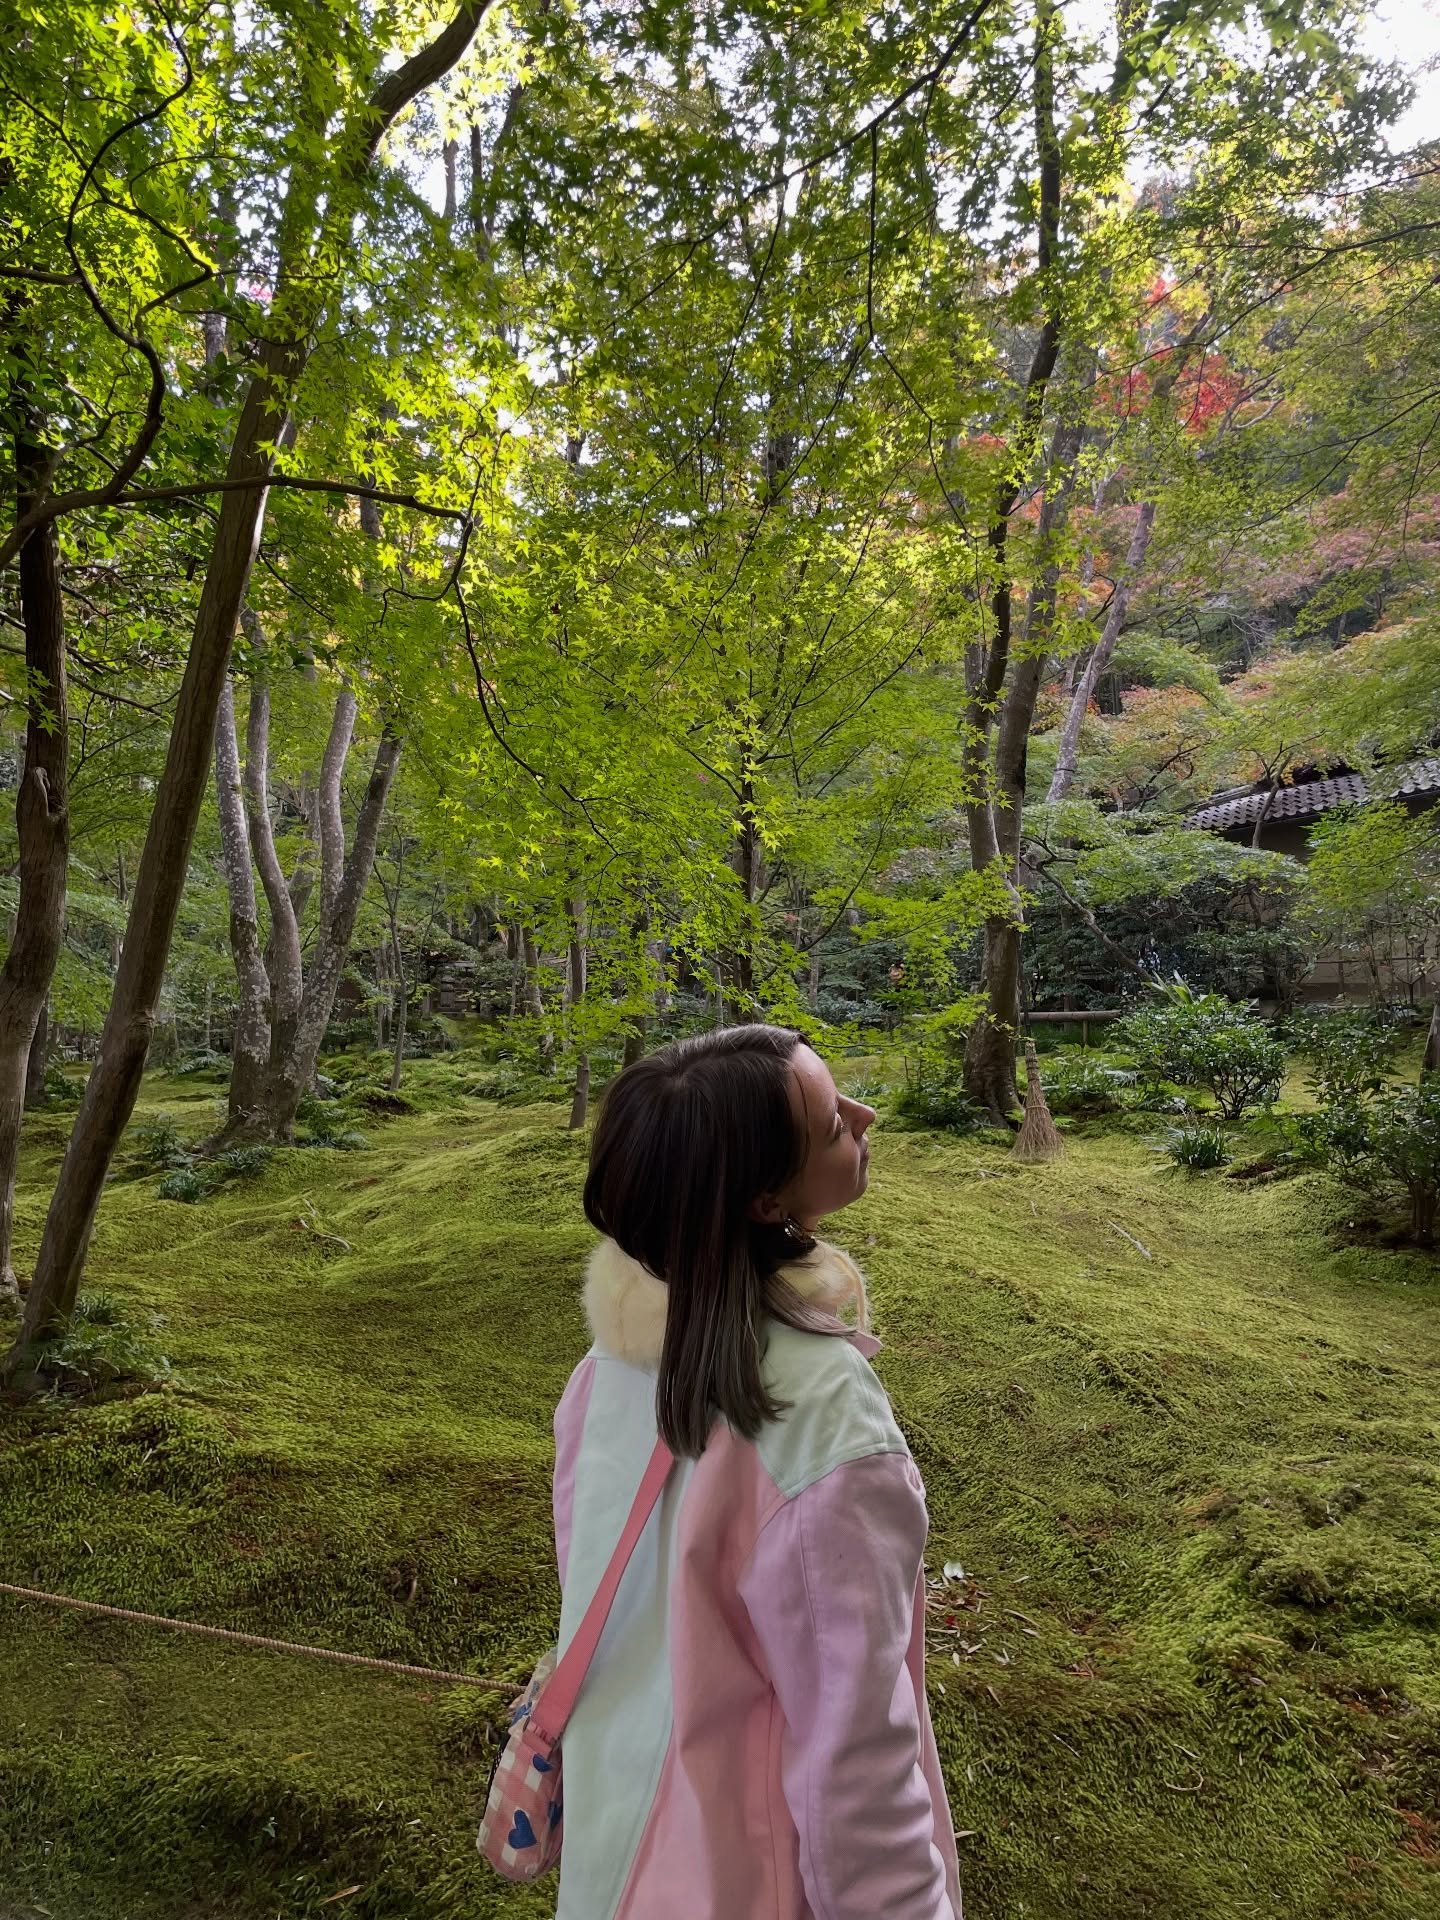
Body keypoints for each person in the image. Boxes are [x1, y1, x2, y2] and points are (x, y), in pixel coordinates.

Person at [551, 1023, 962, 1920]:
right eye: (830, 1124)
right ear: (763, 1200)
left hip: (615, 1868)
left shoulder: (606, 1373)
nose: (866, 1114)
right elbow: (856, 1760)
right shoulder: (820, 1416)